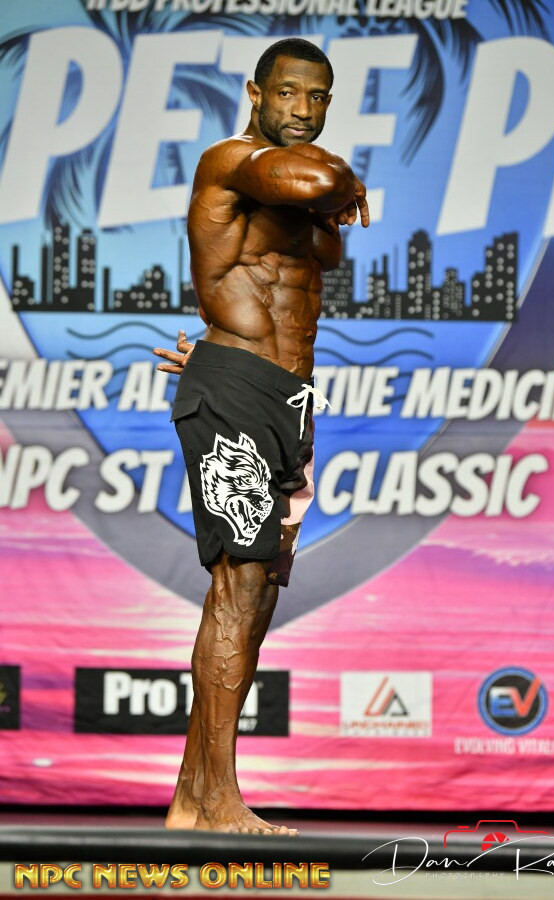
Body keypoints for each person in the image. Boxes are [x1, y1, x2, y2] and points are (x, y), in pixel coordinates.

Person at [153, 37, 369, 835]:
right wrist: (345, 182)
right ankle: (220, 799)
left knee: (258, 594)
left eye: (317, 97)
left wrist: (334, 191)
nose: (302, 110)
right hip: (238, 388)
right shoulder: (232, 161)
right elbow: (322, 183)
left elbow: (324, 232)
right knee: (237, 589)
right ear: (255, 91)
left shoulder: (296, 192)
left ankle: (192, 798)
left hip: (287, 400)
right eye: (287, 93)